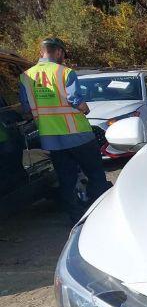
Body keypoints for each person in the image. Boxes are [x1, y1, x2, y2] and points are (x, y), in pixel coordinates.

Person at [19, 37, 110, 221]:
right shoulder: (65, 72)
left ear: (41, 51)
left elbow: (26, 108)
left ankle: (76, 218)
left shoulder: (26, 77)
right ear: (58, 52)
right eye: (63, 54)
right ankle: (103, 214)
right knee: (95, 174)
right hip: (78, 135)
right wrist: (85, 108)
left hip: (51, 139)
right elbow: (75, 99)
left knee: (66, 180)